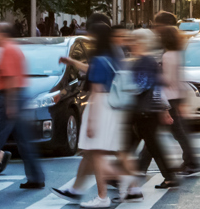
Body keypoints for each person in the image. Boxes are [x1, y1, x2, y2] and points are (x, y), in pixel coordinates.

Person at [53, 23, 138, 208]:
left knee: (97, 154)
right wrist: (72, 62)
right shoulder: (112, 57)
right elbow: (91, 70)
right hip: (112, 108)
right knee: (90, 153)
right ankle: (76, 190)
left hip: (100, 107)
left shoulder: (100, 59)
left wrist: (91, 120)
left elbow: (97, 91)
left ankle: (104, 196)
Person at [0, 23, 45, 190]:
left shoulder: (8, 50)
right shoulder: (13, 49)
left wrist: (9, 104)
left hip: (10, 97)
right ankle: (36, 177)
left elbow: (9, 78)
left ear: (2, 33)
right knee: (24, 142)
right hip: (16, 97)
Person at [135, 26, 199, 179]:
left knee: (163, 133)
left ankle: (192, 163)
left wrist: (156, 75)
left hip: (167, 99)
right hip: (174, 97)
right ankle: (141, 165)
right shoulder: (177, 54)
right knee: (162, 133)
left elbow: (168, 80)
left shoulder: (168, 56)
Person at [125, 29, 180, 192]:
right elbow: (157, 88)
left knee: (129, 146)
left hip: (143, 112)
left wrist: (122, 88)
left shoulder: (144, 62)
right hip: (147, 111)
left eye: (133, 41)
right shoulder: (149, 61)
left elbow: (141, 87)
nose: (131, 44)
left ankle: (117, 175)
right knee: (149, 145)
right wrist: (164, 109)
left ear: (141, 43)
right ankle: (170, 176)